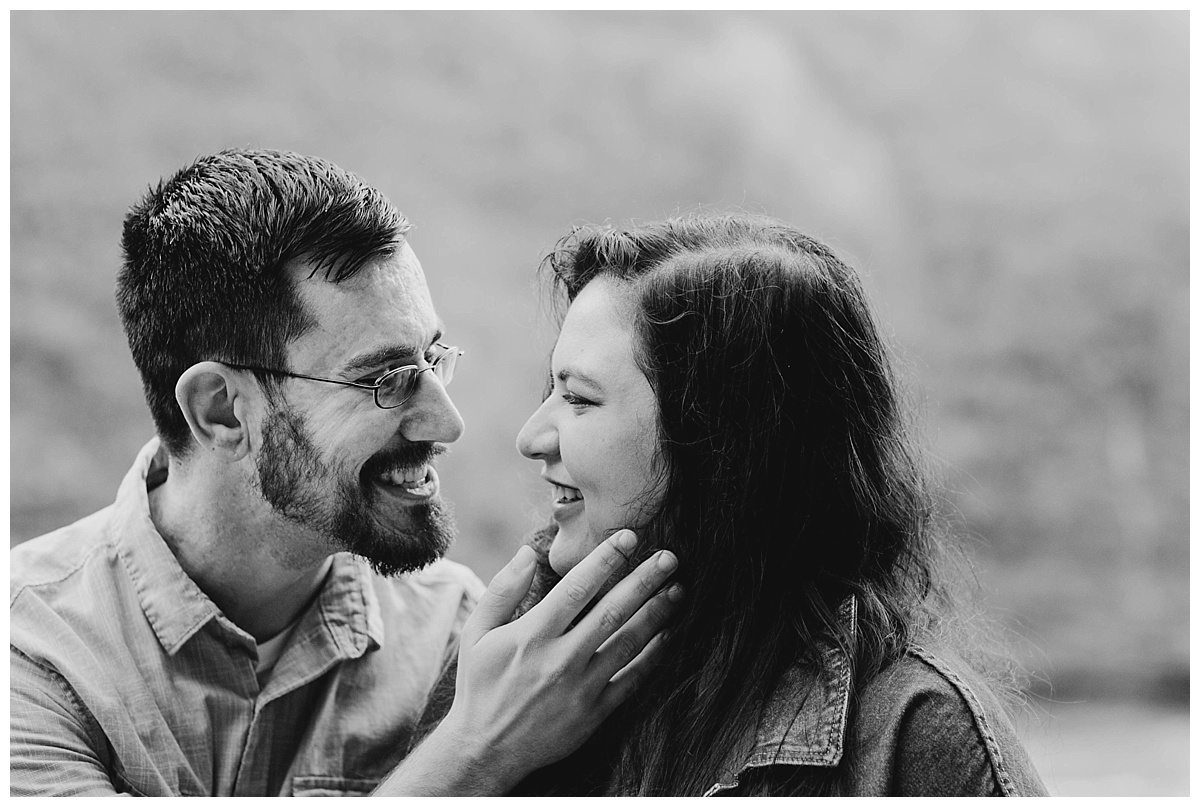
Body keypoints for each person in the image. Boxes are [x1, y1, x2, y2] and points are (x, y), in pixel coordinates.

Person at [9, 149, 682, 797]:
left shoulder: (465, 637)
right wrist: (474, 753)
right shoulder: (33, 649)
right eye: (386, 379)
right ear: (220, 411)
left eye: (433, 358)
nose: (446, 423)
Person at [497, 214, 1048, 795]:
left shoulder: (913, 736)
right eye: (550, 391)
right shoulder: (514, 680)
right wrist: (474, 749)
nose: (532, 436)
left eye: (579, 399)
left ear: (723, 447)